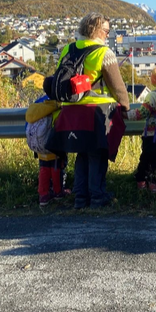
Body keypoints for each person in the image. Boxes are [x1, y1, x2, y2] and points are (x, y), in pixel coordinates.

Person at [46, 13, 129, 209]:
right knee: (97, 156)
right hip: (96, 112)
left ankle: (80, 198)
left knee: (81, 155)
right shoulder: (104, 53)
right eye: (107, 31)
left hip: (70, 112)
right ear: (98, 31)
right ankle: (98, 198)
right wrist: (125, 108)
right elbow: (118, 88)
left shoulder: (68, 48)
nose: (108, 35)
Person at [126, 64, 156, 194]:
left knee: (146, 159)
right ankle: (155, 185)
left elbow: (142, 113)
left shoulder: (152, 96)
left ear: (153, 80)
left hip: (151, 135)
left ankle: (141, 183)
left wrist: (126, 115)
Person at [25, 95, 70, 206]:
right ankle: (58, 192)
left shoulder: (38, 104)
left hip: (39, 146)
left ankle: (43, 195)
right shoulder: (57, 104)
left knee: (44, 170)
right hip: (53, 145)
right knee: (56, 169)